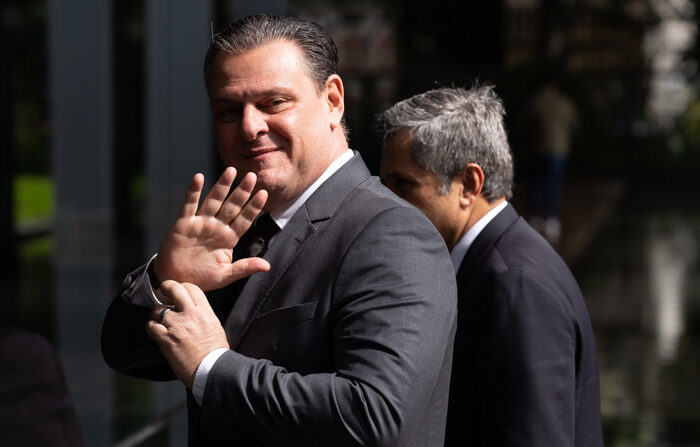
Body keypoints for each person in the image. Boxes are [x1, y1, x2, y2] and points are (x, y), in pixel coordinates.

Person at [101, 14, 457, 447]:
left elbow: (376, 417)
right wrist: (166, 279)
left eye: (273, 102)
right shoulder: (238, 230)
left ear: (333, 100)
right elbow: (129, 355)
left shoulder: (392, 233)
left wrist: (212, 366)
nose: (249, 127)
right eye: (229, 110)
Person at [377, 85, 604, 446]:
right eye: (384, 184)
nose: (385, 203)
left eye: (404, 185)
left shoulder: (516, 287)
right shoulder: (494, 266)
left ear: (469, 184)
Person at [525, 77, 579, 245]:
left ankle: (535, 216)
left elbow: (525, 122)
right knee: (554, 184)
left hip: (540, 148)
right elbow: (575, 124)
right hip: (559, 149)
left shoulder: (536, 102)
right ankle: (552, 219)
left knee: (537, 182)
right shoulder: (565, 103)